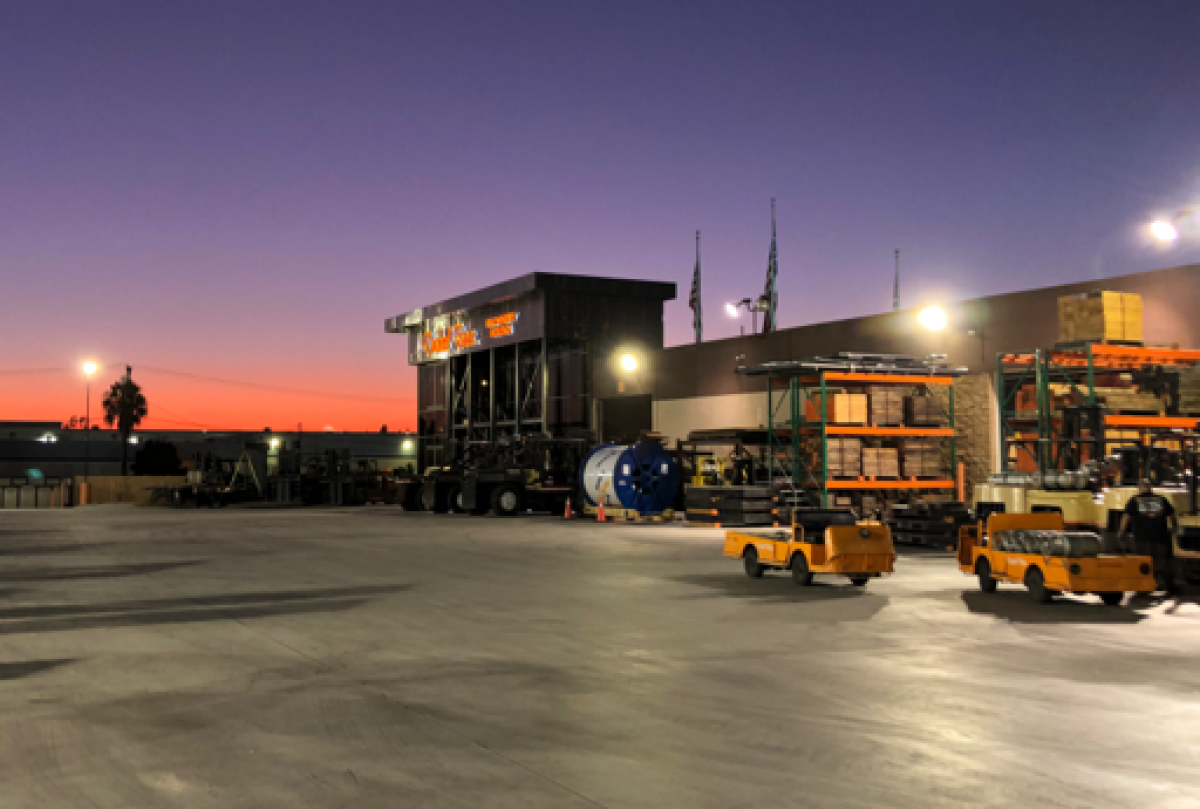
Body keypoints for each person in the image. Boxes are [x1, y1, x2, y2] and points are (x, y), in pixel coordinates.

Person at [1119, 480, 1178, 593]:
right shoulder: (1161, 499)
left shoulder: (1135, 500)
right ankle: (1169, 586)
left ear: (1140, 489)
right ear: (1150, 488)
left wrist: (1122, 532)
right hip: (1161, 536)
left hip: (1142, 537)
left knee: (1143, 562)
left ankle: (1143, 587)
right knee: (1162, 563)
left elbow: (1126, 517)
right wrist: (1174, 527)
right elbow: (1172, 515)